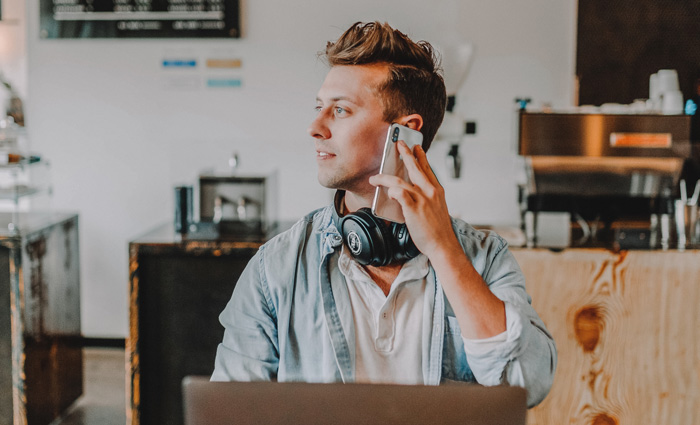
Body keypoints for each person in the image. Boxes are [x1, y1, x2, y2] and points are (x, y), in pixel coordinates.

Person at [212, 21, 556, 407]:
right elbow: (231, 408)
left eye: (340, 110)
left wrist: (444, 251)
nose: (315, 127)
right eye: (319, 107)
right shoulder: (276, 268)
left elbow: (528, 383)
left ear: (405, 133)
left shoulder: (484, 258)